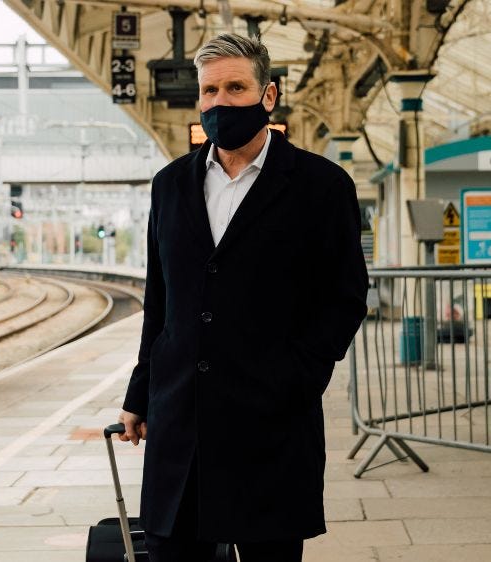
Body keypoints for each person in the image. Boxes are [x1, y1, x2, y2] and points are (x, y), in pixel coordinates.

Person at [117, 33, 368, 562]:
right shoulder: (170, 186)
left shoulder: (321, 186)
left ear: (268, 95)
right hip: (180, 421)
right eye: (209, 91)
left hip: (271, 426)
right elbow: (159, 301)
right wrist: (141, 393)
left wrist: (299, 376)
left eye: (236, 87)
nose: (219, 102)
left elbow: (345, 297)